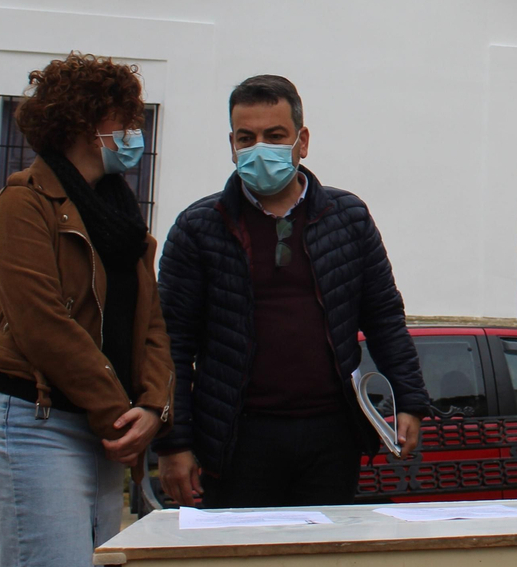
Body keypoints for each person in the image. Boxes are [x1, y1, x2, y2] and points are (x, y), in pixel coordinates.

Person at [156, 75, 430, 508]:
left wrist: (410, 400)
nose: (259, 148)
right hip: (236, 439)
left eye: (275, 135)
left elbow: (383, 318)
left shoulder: (349, 218)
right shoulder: (198, 228)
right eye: (246, 138)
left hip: (330, 437)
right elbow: (170, 344)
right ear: (231, 144)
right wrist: (174, 443)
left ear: (302, 140)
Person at [0, 54, 173, 566]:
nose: (135, 130)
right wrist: (117, 415)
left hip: (105, 427)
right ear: (87, 124)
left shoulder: (121, 214)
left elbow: (150, 322)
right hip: (37, 423)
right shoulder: (24, 202)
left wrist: (152, 407)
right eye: (124, 117)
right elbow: (42, 324)